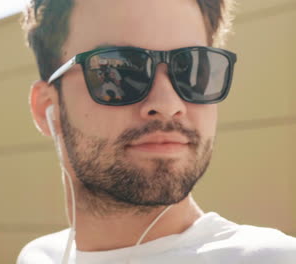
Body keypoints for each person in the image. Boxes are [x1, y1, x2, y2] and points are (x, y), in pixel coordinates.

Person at [18, 0, 296, 263]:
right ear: (47, 109)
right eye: (120, 70)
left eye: (191, 69)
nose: (168, 104)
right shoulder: (39, 256)